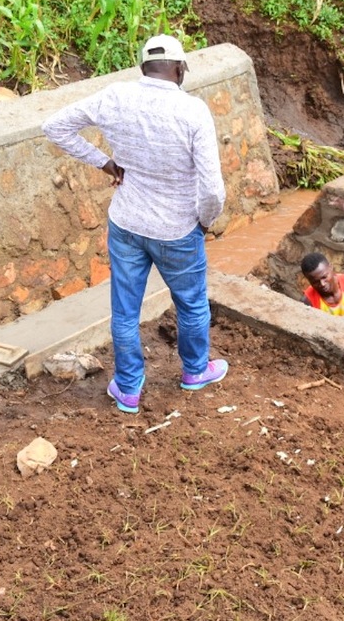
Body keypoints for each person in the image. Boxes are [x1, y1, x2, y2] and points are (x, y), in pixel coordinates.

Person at [41, 35, 229, 413]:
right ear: (180, 69)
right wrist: (205, 222)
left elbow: (55, 126)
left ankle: (128, 387)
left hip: (126, 224)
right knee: (191, 305)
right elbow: (212, 190)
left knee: (125, 311)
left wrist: (105, 163)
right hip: (177, 229)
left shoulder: (116, 97)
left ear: (143, 68)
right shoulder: (192, 111)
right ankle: (195, 370)